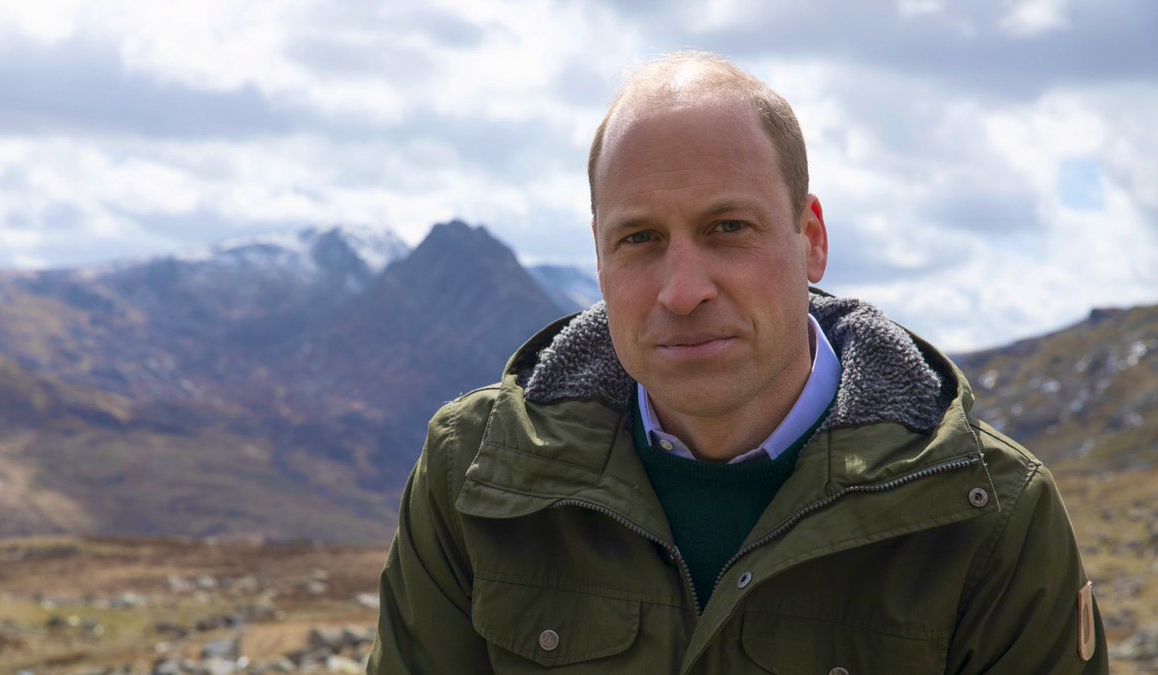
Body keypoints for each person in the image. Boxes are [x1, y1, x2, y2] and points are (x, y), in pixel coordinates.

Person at [369, 51, 1108, 674]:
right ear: (598, 252)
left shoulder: (987, 513)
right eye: (640, 239)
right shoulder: (473, 473)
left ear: (810, 237)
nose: (683, 290)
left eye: (728, 227)